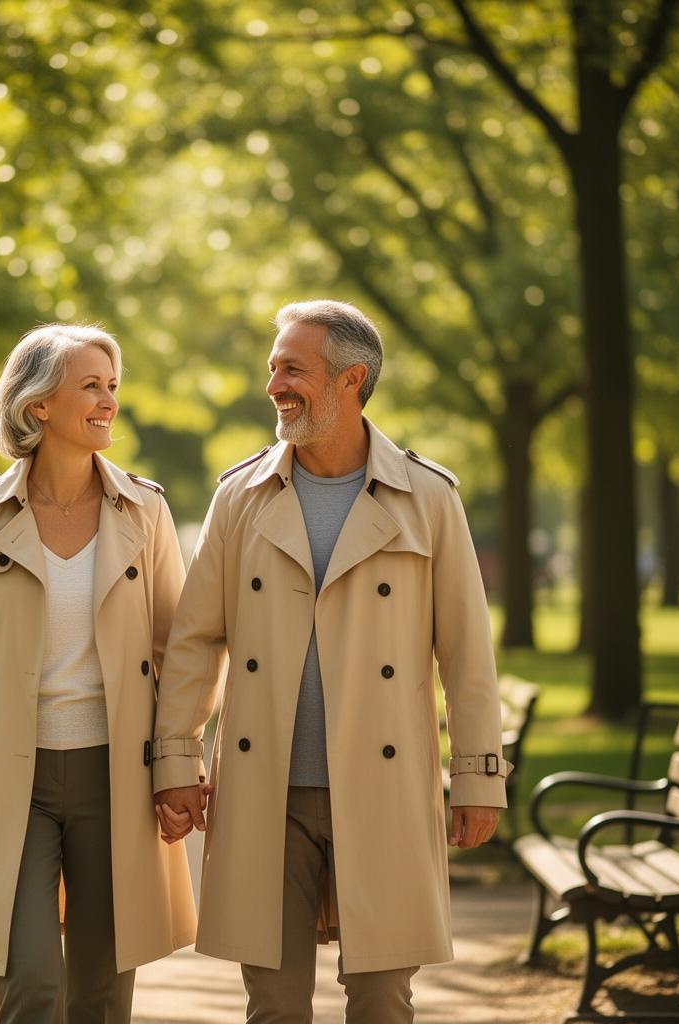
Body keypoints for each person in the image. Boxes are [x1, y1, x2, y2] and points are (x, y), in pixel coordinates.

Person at [152, 300, 511, 1023]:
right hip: (263, 791)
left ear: (352, 380)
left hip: (385, 787)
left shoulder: (429, 498)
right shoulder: (239, 497)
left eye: (292, 369)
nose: (273, 385)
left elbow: (467, 653)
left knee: (382, 1000)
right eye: (272, 368)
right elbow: (194, 640)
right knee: (275, 1005)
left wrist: (479, 777)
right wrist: (174, 760)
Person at [0, 324, 196, 1024]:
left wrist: (178, 765)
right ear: (38, 405)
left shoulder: (146, 510)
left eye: (113, 386)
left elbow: (177, 651)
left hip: (116, 776)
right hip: (9, 778)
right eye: (91, 386)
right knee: (33, 986)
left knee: (99, 994)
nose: (108, 402)